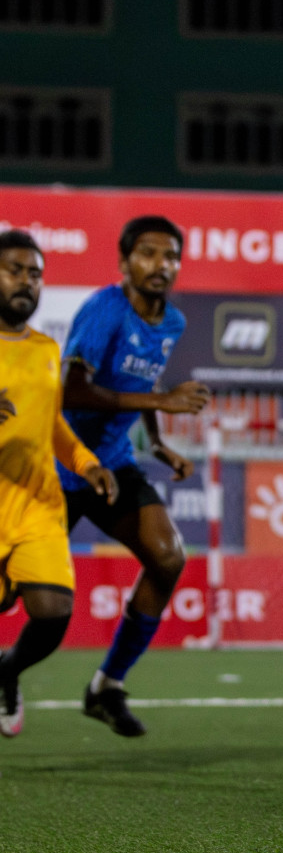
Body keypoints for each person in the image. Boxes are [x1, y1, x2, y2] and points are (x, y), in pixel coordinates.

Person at [59, 216, 211, 736]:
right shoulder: (105, 309)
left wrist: (160, 441)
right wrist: (162, 401)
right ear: (124, 262)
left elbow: (146, 380)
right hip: (60, 462)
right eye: (147, 254)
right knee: (18, 592)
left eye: (170, 256)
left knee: (167, 558)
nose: (160, 265)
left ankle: (107, 686)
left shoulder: (172, 323)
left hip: (114, 462)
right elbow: (72, 391)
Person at [0, 230, 118, 737]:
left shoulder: (47, 349)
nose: (26, 282)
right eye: (14, 271)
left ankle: (6, 673)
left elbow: (52, 425)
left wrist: (86, 462)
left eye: (35, 273)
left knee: (53, 612)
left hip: (38, 505)